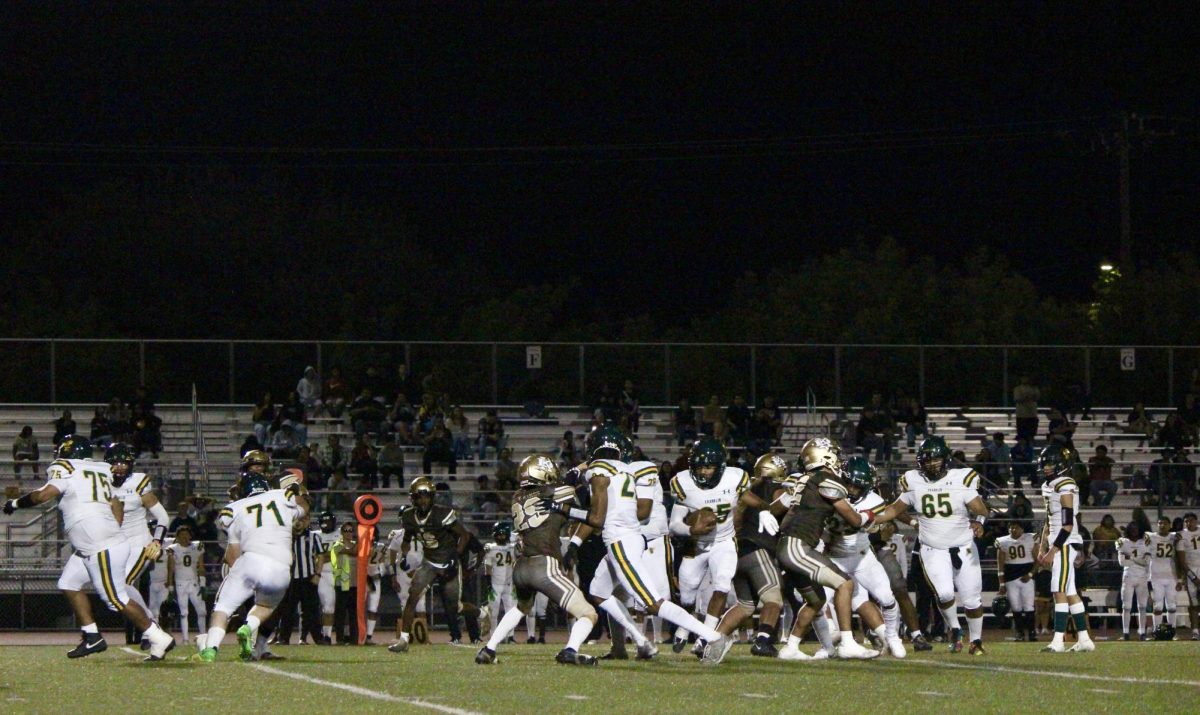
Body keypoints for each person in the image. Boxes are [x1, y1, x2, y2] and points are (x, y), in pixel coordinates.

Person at [558, 424, 731, 664]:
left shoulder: (599, 471)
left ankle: (713, 637)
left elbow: (596, 517)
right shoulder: (625, 470)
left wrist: (565, 509)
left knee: (652, 604)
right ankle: (640, 641)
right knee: (598, 592)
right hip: (630, 538)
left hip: (621, 542)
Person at [3, 436, 175, 660]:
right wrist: (112, 530)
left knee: (116, 598)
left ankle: (157, 635)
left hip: (99, 545)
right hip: (94, 545)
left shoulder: (65, 467)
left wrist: (15, 503)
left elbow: (43, 495)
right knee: (69, 583)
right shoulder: (101, 469)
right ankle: (92, 635)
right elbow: (116, 505)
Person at [475, 456, 601, 665]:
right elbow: (573, 484)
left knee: (521, 608)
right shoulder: (554, 492)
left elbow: (565, 483)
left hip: (521, 566)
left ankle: (489, 649)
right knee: (588, 613)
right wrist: (589, 464)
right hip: (544, 566)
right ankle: (570, 650)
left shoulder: (517, 496)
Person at [873, 436, 991, 654]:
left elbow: (983, 510)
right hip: (932, 548)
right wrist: (871, 517)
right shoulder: (913, 481)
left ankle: (976, 640)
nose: (931, 464)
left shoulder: (961, 479)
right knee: (945, 594)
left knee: (972, 599)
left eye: (935, 459)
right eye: (927, 460)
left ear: (945, 459)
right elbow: (894, 510)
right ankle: (955, 629)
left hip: (963, 547)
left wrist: (980, 522)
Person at [770, 438, 881, 660]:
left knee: (816, 600)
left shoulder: (804, 480)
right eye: (835, 455)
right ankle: (848, 643)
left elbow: (781, 513)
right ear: (825, 456)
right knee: (845, 583)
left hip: (787, 545)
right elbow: (854, 520)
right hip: (797, 547)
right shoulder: (828, 480)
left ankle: (790, 648)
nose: (839, 461)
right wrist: (869, 516)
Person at [193, 469, 308, 662]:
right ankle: (248, 627)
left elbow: (232, 555)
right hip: (281, 567)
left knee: (223, 608)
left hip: (251, 560)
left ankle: (210, 649)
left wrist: (240, 579)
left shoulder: (235, 508)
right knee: (266, 606)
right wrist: (299, 492)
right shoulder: (281, 496)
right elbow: (303, 507)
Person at [668, 437, 760, 655]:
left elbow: (750, 500)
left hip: (724, 541)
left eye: (708, 467)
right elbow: (673, 525)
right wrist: (692, 530)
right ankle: (684, 626)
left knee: (722, 586)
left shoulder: (735, 478)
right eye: (699, 467)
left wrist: (765, 510)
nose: (703, 472)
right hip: (696, 545)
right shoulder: (683, 484)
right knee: (688, 598)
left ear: (720, 466)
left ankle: (704, 638)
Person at [815, 457, 907, 658]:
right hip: (833, 558)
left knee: (886, 598)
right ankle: (828, 645)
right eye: (849, 485)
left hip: (862, 558)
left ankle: (892, 637)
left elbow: (861, 522)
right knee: (818, 602)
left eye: (858, 487)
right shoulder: (830, 492)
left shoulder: (874, 501)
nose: (853, 490)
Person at [388, 478, 471, 653]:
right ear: (413, 498)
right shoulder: (409, 516)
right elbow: (406, 539)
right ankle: (404, 640)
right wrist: (403, 554)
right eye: (419, 497)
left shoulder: (442, 513)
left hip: (448, 562)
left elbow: (464, 535)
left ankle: (480, 613)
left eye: (426, 496)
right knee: (412, 598)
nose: (423, 500)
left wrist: (455, 557)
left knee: (455, 607)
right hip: (429, 562)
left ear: (432, 497)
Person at [105, 442, 171, 645]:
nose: (120, 467)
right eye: (115, 462)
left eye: (124, 463)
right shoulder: (101, 483)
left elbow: (163, 517)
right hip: (116, 545)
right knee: (120, 588)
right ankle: (152, 626)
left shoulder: (138, 481)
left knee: (123, 584)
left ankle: (150, 627)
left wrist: (157, 541)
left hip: (139, 542)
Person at [1033, 445, 1095, 652]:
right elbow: (1050, 519)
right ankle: (1085, 640)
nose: (1046, 467)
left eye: (1050, 463)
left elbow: (1067, 525)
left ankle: (1058, 641)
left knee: (1058, 590)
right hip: (1057, 542)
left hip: (1065, 543)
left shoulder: (1065, 484)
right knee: (1069, 592)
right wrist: (1043, 546)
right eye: (1045, 463)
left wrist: (1053, 550)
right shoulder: (1048, 485)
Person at [274, 511, 326, 646]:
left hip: (308, 578)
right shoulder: (287, 537)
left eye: (305, 519)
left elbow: (321, 556)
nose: (301, 522)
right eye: (299, 519)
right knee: (287, 610)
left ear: (308, 521)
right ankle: (283, 638)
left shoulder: (313, 537)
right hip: (290, 579)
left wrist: (318, 574)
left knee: (312, 610)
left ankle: (318, 638)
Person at [995, 521, 1036, 641]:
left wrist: (1030, 574)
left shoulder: (1030, 538)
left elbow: (1037, 559)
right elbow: (1000, 564)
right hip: (1011, 576)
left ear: (1022, 529)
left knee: (1029, 606)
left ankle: (1032, 632)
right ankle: (1020, 633)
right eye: (1011, 528)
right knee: (1015, 606)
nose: (1013, 530)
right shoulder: (1003, 541)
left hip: (1026, 576)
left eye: (1016, 528)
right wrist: (1001, 583)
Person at [167, 525, 207, 645]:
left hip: (194, 583)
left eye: (186, 535)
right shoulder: (173, 549)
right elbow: (171, 569)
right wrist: (170, 587)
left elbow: (201, 566)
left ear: (190, 536)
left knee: (202, 611)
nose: (184, 538)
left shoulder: (197, 546)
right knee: (184, 612)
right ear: (177, 538)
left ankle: (203, 636)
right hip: (180, 583)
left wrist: (203, 584)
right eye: (181, 536)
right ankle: (185, 639)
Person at [1117, 521, 1152, 640]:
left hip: (1142, 577)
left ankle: (1142, 632)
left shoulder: (1145, 541)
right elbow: (1122, 562)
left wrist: (1131, 557)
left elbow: (1146, 562)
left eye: (1136, 528)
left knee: (1142, 606)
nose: (1134, 530)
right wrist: (1138, 560)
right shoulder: (1123, 542)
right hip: (1128, 576)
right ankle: (1125, 633)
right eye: (1131, 528)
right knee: (1126, 606)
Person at [482, 521, 517, 639]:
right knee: (493, 613)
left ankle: (511, 636)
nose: (500, 536)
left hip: (509, 584)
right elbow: (487, 568)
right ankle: (494, 637)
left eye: (503, 534)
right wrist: (488, 585)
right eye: (498, 534)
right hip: (495, 585)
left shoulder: (512, 547)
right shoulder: (491, 548)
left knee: (511, 612)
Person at [1146, 516, 1179, 633]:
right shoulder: (1150, 536)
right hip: (1155, 576)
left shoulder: (1175, 536)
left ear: (1170, 525)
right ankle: (1157, 630)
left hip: (1171, 576)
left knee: (1172, 606)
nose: (1162, 525)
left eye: (1165, 523)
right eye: (1160, 523)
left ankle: (1172, 631)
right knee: (1158, 606)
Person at [330, 522, 359, 644]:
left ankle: (354, 638)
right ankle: (340, 638)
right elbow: (352, 552)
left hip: (354, 582)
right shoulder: (337, 545)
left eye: (350, 530)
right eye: (346, 530)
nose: (348, 533)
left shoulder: (355, 545)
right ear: (341, 532)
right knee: (340, 613)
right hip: (341, 582)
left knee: (353, 613)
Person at [1174, 513, 1200, 640]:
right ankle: (1195, 631)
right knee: (1194, 603)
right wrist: (1193, 577)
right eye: (1186, 521)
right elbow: (1182, 561)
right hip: (1192, 570)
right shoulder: (1181, 535)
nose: (1189, 523)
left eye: (1191, 521)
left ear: (1196, 521)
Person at [1013, 376, 1040, 443]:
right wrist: (1025, 397)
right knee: (1022, 432)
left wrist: (1031, 396)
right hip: (1022, 414)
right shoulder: (1018, 388)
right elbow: (1017, 399)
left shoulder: (1034, 388)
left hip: (1032, 413)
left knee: (1031, 432)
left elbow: (1037, 397)